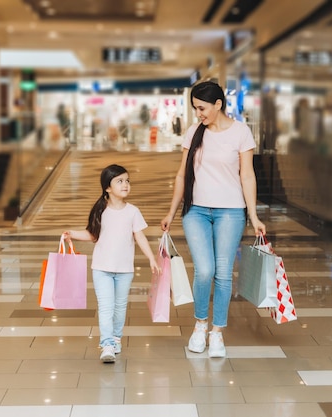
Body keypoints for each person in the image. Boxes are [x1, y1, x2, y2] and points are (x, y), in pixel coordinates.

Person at [160, 81, 266, 358]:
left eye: (202, 108)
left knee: (222, 273)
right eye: (196, 108)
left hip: (230, 211)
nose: (198, 114)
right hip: (196, 211)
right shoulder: (194, 132)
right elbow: (182, 175)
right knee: (204, 270)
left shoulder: (241, 133)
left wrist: (253, 215)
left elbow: (247, 175)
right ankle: (200, 325)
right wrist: (171, 212)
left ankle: (217, 332)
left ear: (218, 104)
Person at [63, 164, 160, 363]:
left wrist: (151, 258)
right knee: (106, 306)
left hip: (125, 270)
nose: (125, 184)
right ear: (107, 187)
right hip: (101, 269)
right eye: (120, 181)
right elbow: (92, 234)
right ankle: (106, 344)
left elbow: (140, 236)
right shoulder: (100, 209)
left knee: (120, 306)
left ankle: (116, 338)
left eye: (127, 181)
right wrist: (71, 233)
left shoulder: (133, 211)